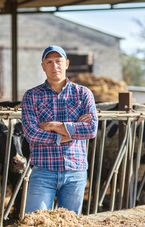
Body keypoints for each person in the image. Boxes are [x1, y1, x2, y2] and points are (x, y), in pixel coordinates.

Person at [21, 45, 98, 215]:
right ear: (43, 66)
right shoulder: (31, 96)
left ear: (67, 63)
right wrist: (70, 133)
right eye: (49, 62)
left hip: (75, 171)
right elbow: (31, 133)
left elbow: (91, 129)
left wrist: (53, 126)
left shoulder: (83, 93)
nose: (54, 66)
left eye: (58, 61)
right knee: (35, 224)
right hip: (43, 171)